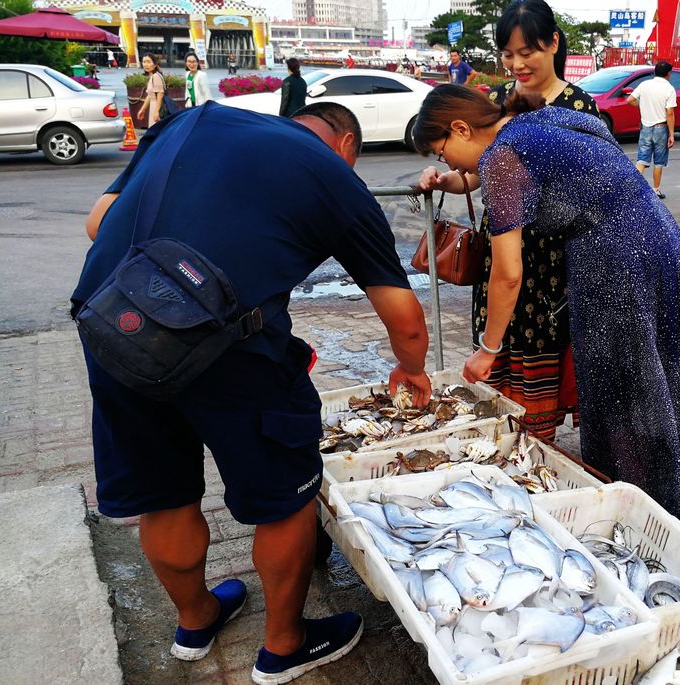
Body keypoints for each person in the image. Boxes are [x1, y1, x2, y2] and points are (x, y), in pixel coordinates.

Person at [74, 101, 432, 684]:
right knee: (284, 498)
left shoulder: (190, 122)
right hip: (233, 348)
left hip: (116, 327)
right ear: (347, 146)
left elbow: (97, 222)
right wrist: (411, 370)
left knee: (161, 497)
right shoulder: (336, 177)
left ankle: (196, 622)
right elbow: (404, 316)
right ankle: (284, 645)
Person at [413, 85, 680, 525]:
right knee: (658, 373)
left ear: (460, 127)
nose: (447, 163)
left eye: (442, 152)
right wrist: (450, 181)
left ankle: (638, 512)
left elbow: (507, 274)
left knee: (622, 392)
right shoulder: (541, 122)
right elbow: (484, 171)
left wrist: (487, 350)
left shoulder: (502, 157)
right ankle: (665, 498)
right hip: (659, 239)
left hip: (612, 259)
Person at [417, 0, 598, 439]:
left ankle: (534, 442)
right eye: (507, 54)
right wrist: (445, 178)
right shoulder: (499, 101)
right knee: (496, 345)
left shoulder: (578, 107)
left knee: (539, 354)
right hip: (502, 246)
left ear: (554, 43)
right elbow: (478, 173)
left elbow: (586, 189)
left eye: (527, 52)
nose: (516, 64)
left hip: (551, 259)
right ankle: (505, 433)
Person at [628, 61, 677, 199]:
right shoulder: (669, 89)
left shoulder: (644, 85)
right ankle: (655, 190)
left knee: (642, 160)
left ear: (655, 71)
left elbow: (630, 100)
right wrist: (672, 134)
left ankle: (633, 188)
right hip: (661, 128)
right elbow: (670, 113)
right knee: (659, 161)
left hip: (645, 127)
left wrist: (641, 106)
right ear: (669, 73)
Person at [137, 54, 166, 128]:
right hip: (153, 106)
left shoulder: (156, 76)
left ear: (155, 64)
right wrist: (142, 110)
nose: (146, 64)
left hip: (157, 107)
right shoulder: (152, 77)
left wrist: (156, 111)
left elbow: (160, 94)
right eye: (144, 62)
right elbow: (150, 96)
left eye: (149, 62)